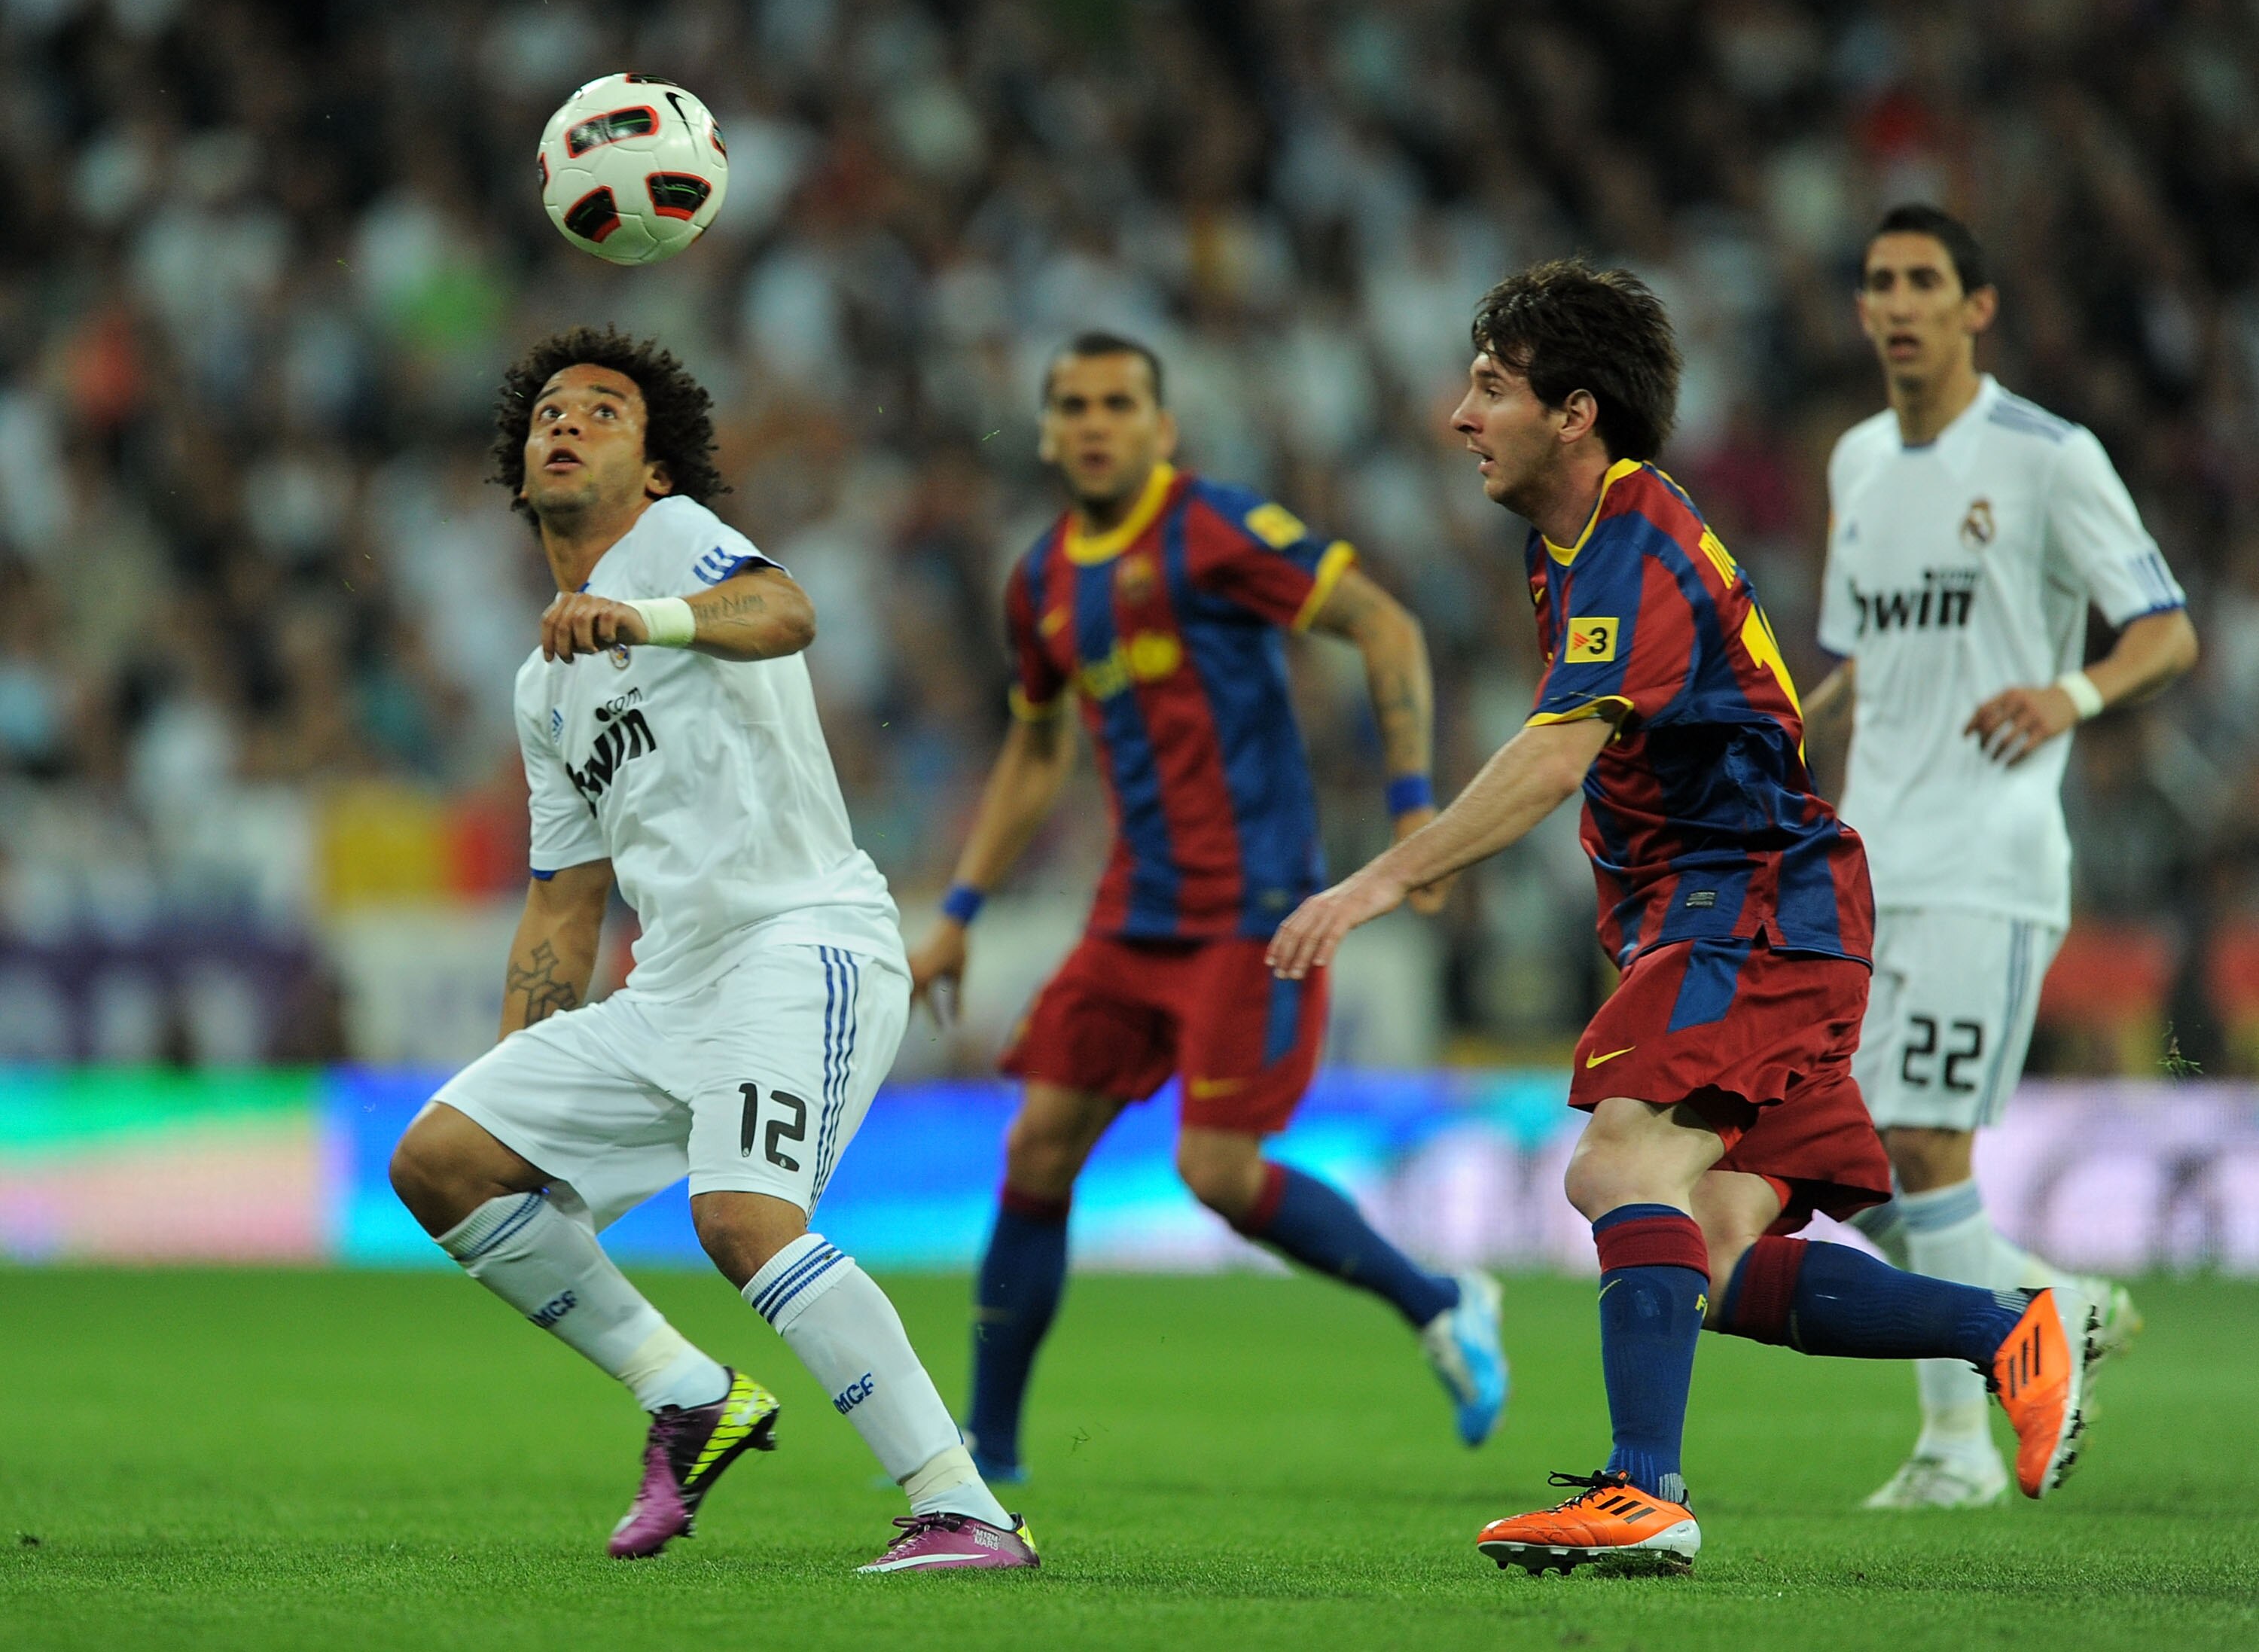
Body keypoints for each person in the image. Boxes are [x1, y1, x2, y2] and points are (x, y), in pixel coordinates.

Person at [1268, 262, 2094, 1577]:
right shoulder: (1584, 544)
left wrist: (1382, 878)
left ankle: (1644, 1494)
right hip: (1763, 908)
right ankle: (2008, 1335)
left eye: (1491, 387)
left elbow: (1553, 756)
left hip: (1748, 904)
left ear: (1577, 413)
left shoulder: (1632, 547)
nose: (1458, 415)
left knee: (1614, 1170)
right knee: (1702, 1241)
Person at [386, 326, 1037, 1574]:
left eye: (604, 412)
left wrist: (647, 616)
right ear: (519, 470)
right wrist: (533, 1087)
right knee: (445, 1160)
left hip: (803, 939)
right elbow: (567, 903)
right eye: (548, 415)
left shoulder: (671, 548)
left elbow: (786, 610)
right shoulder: (544, 685)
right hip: (671, 986)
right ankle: (689, 1395)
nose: (566, 424)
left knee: (741, 1217)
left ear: (657, 469)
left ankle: (968, 1509)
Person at [908, 331, 1507, 1484]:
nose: (1095, 423)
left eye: (1119, 403)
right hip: (1134, 910)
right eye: (1072, 404)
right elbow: (1036, 751)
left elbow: (1384, 625)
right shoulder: (1039, 581)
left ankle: (1440, 1300)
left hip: (1256, 904)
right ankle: (990, 1453)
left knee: (1219, 1174)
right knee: (1036, 1143)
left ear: (1162, 427)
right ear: (1046, 431)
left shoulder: (1215, 528)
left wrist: (1414, 812)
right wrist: (961, 909)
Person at [1800, 205, 2197, 1509]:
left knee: (1921, 1137)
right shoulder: (1859, 461)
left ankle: (1957, 1446)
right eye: (1879, 283)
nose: (1899, 303)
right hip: (1873, 854)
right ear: (1861, 312)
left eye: (1925, 282)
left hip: (1991, 851)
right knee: (1832, 1155)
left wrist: (2068, 697)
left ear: (1977, 309)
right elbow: (1863, 656)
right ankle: (2051, 1299)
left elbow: (2163, 627)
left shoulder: (2045, 454)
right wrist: (1775, 737)